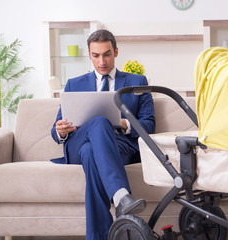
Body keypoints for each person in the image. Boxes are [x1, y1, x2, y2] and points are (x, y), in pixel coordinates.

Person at [50, 29, 155, 240]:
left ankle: (100, 235)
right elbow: (56, 130)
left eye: (106, 54)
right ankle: (121, 195)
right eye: (96, 55)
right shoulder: (74, 84)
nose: (102, 61)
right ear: (89, 55)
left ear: (116, 52)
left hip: (120, 144)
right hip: (78, 143)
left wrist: (124, 123)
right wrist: (60, 131)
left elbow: (149, 125)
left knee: (91, 153)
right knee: (97, 124)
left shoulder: (137, 81)